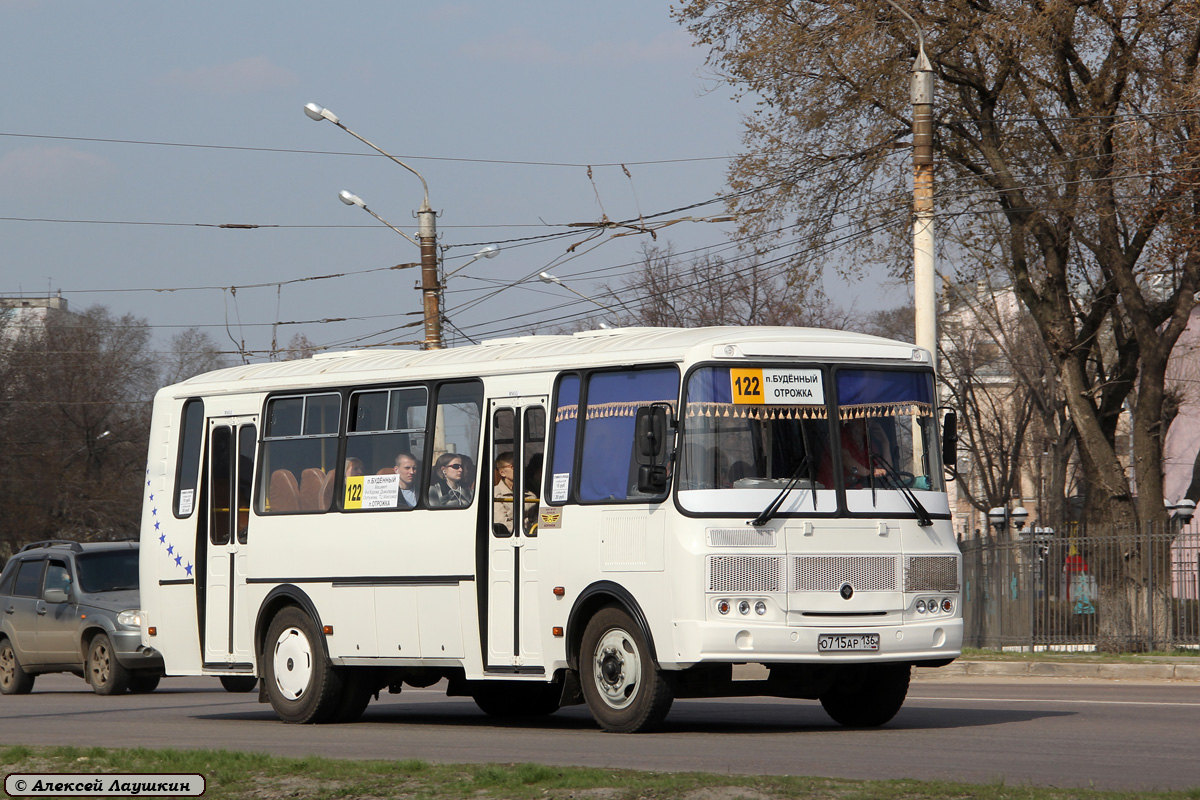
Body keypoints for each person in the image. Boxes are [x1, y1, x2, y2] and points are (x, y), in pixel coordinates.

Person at [493, 451, 516, 532]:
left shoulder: (531, 496)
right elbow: (502, 523)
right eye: (513, 466)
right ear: (502, 473)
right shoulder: (495, 495)